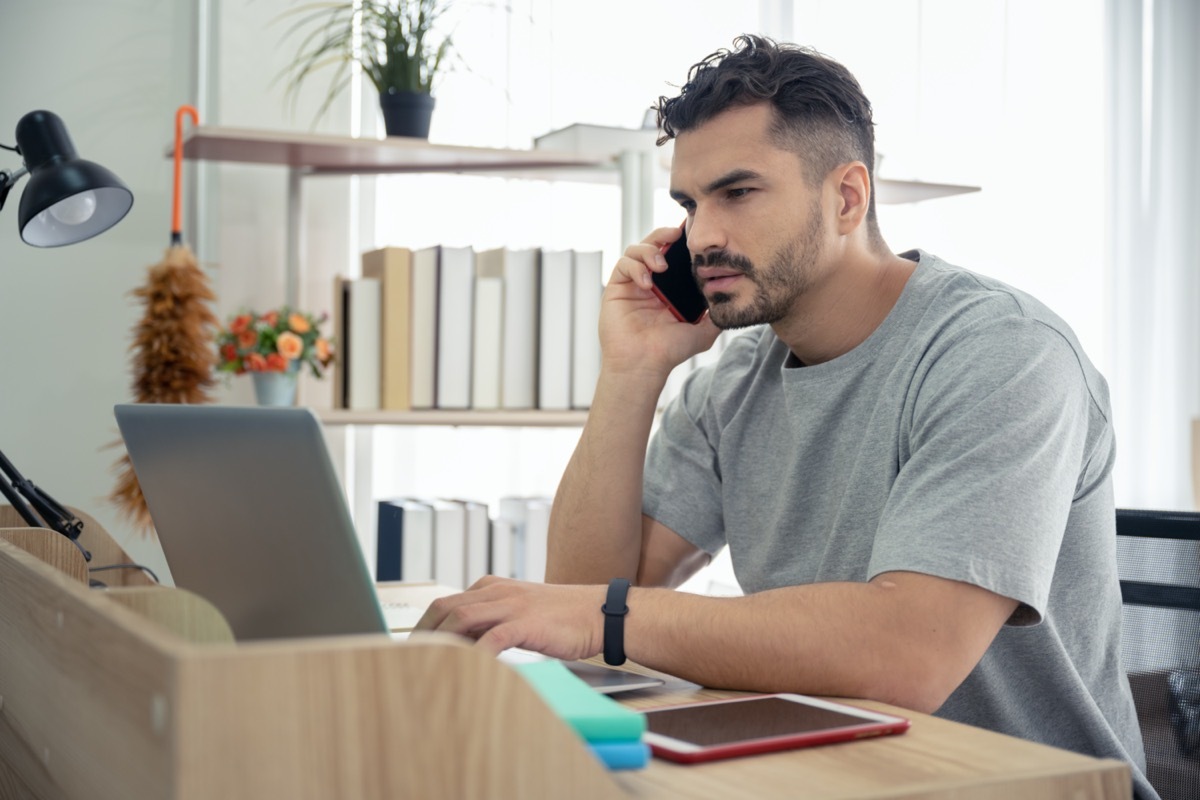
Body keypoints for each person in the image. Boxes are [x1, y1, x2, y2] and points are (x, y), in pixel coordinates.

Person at [416, 34, 1156, 798]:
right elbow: (589, 592)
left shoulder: (1000, 353)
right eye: (688, 204)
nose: (701, 236)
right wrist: (632, 372)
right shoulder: (739, 372)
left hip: (1014, 785)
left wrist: (596, 615)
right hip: (840, 773)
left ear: (846, 197)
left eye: (737, 193)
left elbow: (910, 652)